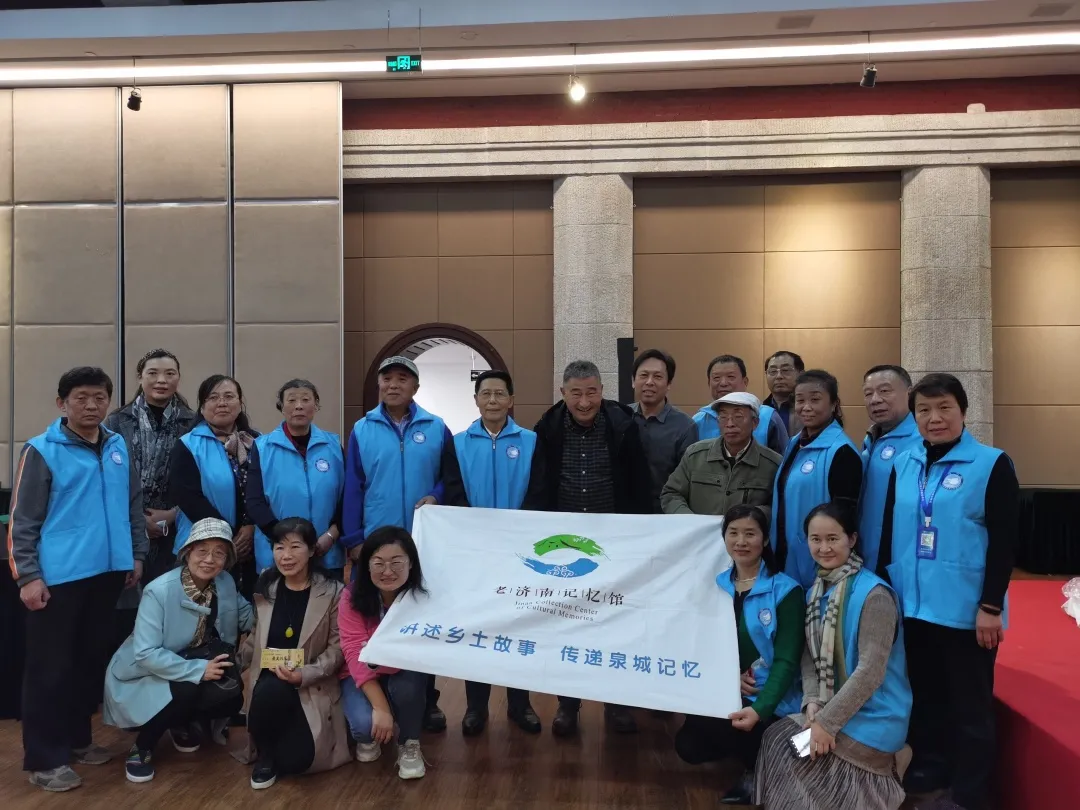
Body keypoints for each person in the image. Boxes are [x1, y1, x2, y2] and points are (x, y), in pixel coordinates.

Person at [877, 373, 1018, 810]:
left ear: (963, 411)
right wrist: (883, 594)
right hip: (913, 606)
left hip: (965, 610)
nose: (934, 418)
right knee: (926, 695)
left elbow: (1006, 541)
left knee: (970, 706)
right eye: (924, 410)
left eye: (944, 408)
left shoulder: (991, 464)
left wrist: (990, 606)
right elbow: (888, 533)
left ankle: (970, 792)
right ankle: (931, 766)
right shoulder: (904, 463)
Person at [8, 366, 146, 792]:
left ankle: (77, 740)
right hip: (58, 578)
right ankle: (45, 759)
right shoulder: (41, 450)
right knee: (48, 669)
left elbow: (132, 505)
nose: (91, 405)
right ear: (62, 403)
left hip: (108, 574)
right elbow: (22, 521)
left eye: (99, 398)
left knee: (87, 664)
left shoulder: (118, 446)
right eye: (81, 398)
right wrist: (28, 577)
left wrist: (135, 554)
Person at [522, 359, 652, 736]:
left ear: (602, 391)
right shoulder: (547, 428)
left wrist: (643, 535)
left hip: (614, 543)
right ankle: (568, 704)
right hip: (564, 544)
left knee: (617, 622)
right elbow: (539, 484)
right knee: (569, 623)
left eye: (591, 392)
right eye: (576, 393)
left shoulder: (624, 425)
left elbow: (640, 484)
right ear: (563, 393)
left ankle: (617, 703)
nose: (584, 402)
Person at [756, 502, 912, 810]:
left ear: (851, 539)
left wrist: (827, 723)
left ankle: (893, 765)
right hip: (832, 706)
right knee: (777, 740)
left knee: (816, 774)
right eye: (816, 539)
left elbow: (870, 672)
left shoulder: (875, 595)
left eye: (832, 538)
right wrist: (812, 700)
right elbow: (808, 655)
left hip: (874, 714)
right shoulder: (816, 589)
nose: (824, 548)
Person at [341, 354, 452, 733]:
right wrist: (355, 539)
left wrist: (437, 495)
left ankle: (426, 699)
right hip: (376, 544)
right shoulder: (362, 429)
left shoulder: (437, 428)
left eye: (403, 378)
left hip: (421, 546)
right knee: (373, 619)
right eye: (387, 378)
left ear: (415, 387)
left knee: (423, 622)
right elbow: (353, 486)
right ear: (379, 385)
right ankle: (376, 694)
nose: (393, 385)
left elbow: (449, 478)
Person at [104, 518, 252, 784]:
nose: (209, 559)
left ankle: (180, 721)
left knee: (231, 696)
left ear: (227, 559)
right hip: (144, 671)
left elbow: (248, 618)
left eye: (219, 553)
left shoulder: (225, 582)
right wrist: (199, 670)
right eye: (202, 550)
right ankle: (143, 746)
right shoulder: (158, 591)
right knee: (186, 688)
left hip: (197, 660)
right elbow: (146, 653)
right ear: (187, 552)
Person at [674, 504, 803, 805]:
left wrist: (762, 708)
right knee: (688, 745)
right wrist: (727, 677)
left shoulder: (786, 591)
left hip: (771, 696)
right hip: (727, 688)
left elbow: (786, 661)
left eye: (750, 534)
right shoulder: (716, 585)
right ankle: (760, 755)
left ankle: (759, 769)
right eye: (733, 533)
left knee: (743, 725)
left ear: (765, 540)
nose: (741, 541)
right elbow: (702, 642)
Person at [441, 369, 543, 735]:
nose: (493, 400)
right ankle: (476, 707)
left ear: (511, 400)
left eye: (500, 393)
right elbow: (453, 491)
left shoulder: (532, 441)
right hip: (476, 553)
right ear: (476, 400)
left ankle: (520, 704)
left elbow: (539, 491)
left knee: (520, 626)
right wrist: (478, 534)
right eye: (486, 394)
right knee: (477, 628)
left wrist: (520, 534)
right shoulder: (458, 443)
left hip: (521, 552)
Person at [235, 518, 349, 790]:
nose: (286, 556)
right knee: (270, 688)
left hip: (310, 683)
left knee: (299, 762)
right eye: (279, 547)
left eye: (295, 547)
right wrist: (236, 665)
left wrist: (303, 674)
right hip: (268, 683)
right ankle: (265, 754)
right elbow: (255, 635)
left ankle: (281, 743)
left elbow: (337, 648)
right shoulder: (267, 584)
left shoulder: (333, 591)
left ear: (311, 550)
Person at [104, 348, 196, 649]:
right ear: (140, 377)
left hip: (176, 526)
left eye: (170, 374)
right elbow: (109, 477)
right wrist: (139, 519)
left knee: (169, 606)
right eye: (153, 373)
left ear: (179, 378)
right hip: (128, 525)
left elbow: (202, 477)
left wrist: (173, 514)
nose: (161, 380)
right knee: (124, 610)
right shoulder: (117, 422)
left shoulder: (193, 422)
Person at [338, 525, 430, 780]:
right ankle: (382, 720)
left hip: (402, 670)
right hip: (362, 672)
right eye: (378, 563)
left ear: (411, 563)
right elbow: (353, 652)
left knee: (408, 685)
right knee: (364, 728)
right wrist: (381, 708)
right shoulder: (350, 597)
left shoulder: (423, 597)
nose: (387, 571)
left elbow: (418, 653)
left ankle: (409, 742)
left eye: (397, 562)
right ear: (367, 566)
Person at [169, 374, 260, 600]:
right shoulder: (188, 444)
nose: (222, 403)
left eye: (229, 396)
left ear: (240, 403)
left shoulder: (257, 442)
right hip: (204, 546)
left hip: (253, 545)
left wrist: (251, 526)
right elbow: (188, 497)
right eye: (213, 398)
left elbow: (266, 490)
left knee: (249, 610)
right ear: (202, 407)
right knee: (203, 611)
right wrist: (226, 536)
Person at [246, 380, 346, 581]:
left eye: (306, 400)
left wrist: (331, 535)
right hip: (279, 554)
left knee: (327, 601)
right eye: (291, 400)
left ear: (316, 405)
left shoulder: (333, 445)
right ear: (281, 407)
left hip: (326, 551)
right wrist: (287, 542)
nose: (299, 406)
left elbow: (347, 498)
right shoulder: (263, 447)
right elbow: (254, 501)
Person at [771, 370, 862, 588]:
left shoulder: (842, 451)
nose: (806, 407)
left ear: (834, 404)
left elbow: (844, 517)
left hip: (819, 562)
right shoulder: (795, 443)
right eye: (800, 400)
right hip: (786, 556)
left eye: (815, 399)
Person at [662, 392, 781, 517]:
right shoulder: (695, 455)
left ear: (755, 423)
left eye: (738, 416)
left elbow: (778, 506)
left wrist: (753, 518)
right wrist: (690, 521)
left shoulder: (772, 464)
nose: (730, 424)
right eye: (723, 417)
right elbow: (671, 493)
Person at [858, 365, 918, 575]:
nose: (875, 400)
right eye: (868, 393)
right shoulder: (871, 439)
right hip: (866, 555)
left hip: (901, 560)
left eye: (884, 391)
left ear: (909, 393)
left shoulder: (921, 442)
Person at [628, 349, 697, 512]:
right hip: (624, 515)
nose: (649, 382)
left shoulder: (685, 426)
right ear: (633, 381)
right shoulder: (621, 417)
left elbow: (688, 481)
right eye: (643, 375)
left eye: (657, 377)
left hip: (665, 515)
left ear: (669, 384)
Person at [695, 355, 788, 454]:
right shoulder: (698, 420)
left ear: (745, 382)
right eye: (716, 378)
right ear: (709, 383)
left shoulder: (768, 416)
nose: (723, 383)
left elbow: (784, 459)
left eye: (730, 377)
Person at [763, 350, 805, 436]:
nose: (779, 376)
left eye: (785, 370)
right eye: (773, 371)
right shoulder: (760, 411)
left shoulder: (809, 410)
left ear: (801, 374)